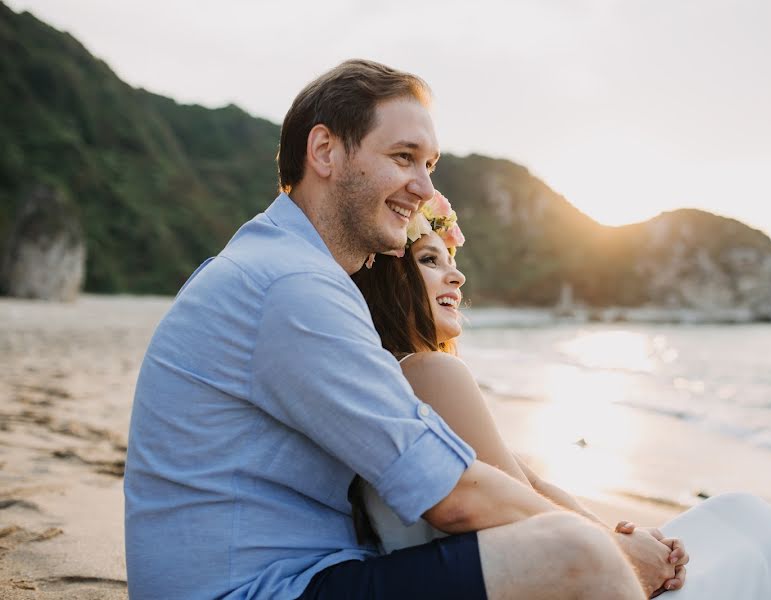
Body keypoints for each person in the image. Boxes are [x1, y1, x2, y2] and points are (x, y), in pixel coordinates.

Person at [124, 59, 682, 600]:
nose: (422, 186)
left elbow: (480, 470)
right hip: (260, 589)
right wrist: (607, 549)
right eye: (403, 157)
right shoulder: (291, 284)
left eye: (429, 165)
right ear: (324, 151)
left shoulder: (280, 263)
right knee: (571, 554)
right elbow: (452, 494)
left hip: (287, 576)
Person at [349, 193, 771, 600]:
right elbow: (519, 498)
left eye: (449, 258)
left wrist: (617, 534)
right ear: (391, 278)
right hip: (544, 581)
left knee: (739, 513)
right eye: (429, 260)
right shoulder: (431, 371)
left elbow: (526, 483)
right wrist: (618, 551)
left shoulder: (394, 376)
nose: (456, 273)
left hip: (527, 573)